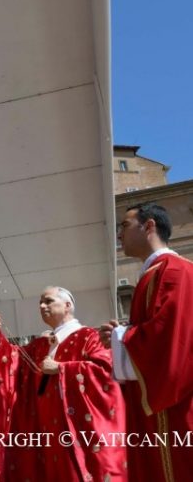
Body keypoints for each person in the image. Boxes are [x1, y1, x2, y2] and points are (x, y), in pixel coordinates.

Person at [0, 287, 127, 481]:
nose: (42, 306)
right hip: (45, 433)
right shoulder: (41, 345)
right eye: (40, 303)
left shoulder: (88, 336)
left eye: (48, 301)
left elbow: (105, 372)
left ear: (67, 305)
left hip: (75, 430)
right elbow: (12, 361)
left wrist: (61, 368)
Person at [100, 202, 193, 481]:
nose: (119, 234)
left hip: (176, 408)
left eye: (125, 226)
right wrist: (123, 335)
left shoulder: (174, 271)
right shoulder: (157, 272)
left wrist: (122, 338)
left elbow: (171, 339)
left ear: (149, 226)